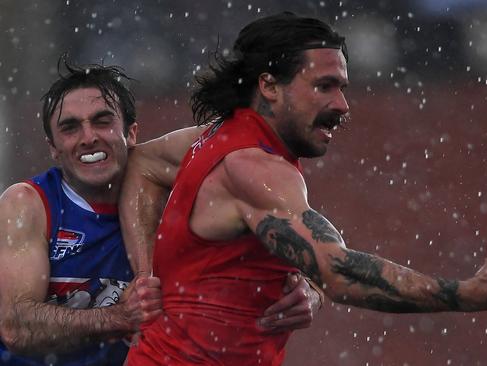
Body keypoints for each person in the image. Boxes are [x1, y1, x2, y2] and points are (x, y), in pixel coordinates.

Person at [121, 12, 487, 365]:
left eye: (343, 87)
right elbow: (340, 272)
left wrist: (146, 273)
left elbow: (140, 162)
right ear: (269, 87)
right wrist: (465, 294)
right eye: (325, 87)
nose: (342, 105)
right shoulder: (254, 168)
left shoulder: (212, 138)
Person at [0, 59, 322, 365]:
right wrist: (117, 317)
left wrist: (311, 290)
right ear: (53, 149)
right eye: (70, 128)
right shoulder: (29, 204)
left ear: (131, 133)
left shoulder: (176, 198)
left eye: (102, 121)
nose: (88, 137)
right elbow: (15, 326)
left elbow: (302, 225)